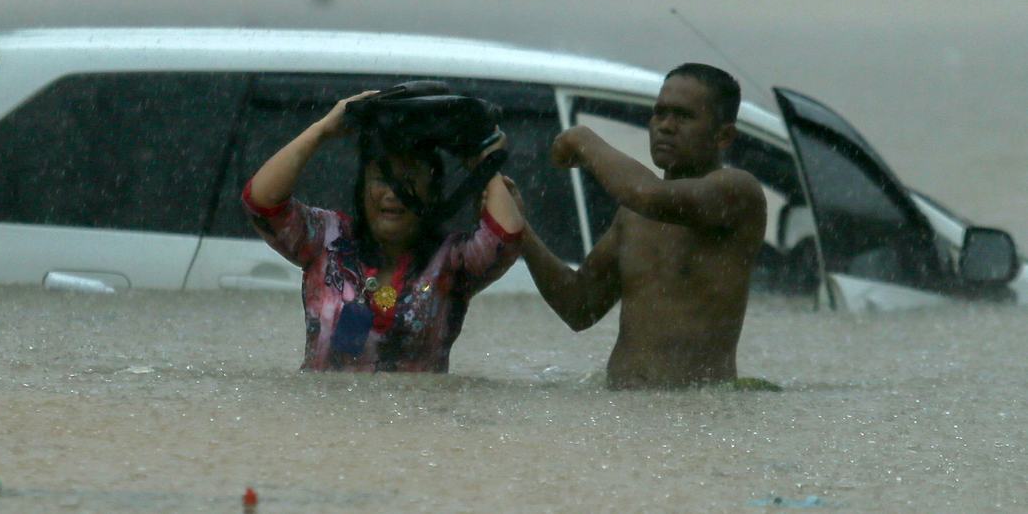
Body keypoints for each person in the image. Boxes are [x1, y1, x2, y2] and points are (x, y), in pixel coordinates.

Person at [507, 63, 767, 389]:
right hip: (624, 413)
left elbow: (649, 194)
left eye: (683, 116)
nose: (666, 126)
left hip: (696, 420)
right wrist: (521, 230)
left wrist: (582, 138)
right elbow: (578, 306)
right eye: (659, 114)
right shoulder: (633, 215)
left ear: (724, 135)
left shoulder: (739, 192)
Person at [243, 90, 524, 372]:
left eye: (409, 180)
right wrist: (321, 131)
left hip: (419, 416)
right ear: (362, 189)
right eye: (381, 179)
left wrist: (483, 162)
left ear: (434, 194)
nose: (392, 194)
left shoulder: (451, 261)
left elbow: (505, 237)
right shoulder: (328, 239)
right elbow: (262, 202)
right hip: (321, 414)